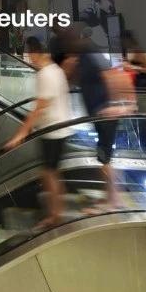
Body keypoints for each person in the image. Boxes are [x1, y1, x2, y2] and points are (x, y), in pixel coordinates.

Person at [6, 37, 72, 231]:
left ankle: (56, 216)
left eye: (28, 53)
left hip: (54, 130)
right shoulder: (55, 69)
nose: (28, 58)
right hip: (59, 128)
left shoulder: (45, 74)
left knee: (48, 173)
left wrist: (20, 134)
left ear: (35, 52)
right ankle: (59, 208)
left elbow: (39, 108)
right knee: (51, 172)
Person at [62, 26, 123, 212]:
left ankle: (113, 200)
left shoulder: (91, 53)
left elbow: (111, 76)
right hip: (98, 113)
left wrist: (113, 105)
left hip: (105, 112)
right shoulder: (82, 57)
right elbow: (74, 81)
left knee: (105, 158)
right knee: (103, 158)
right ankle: (111, 198)